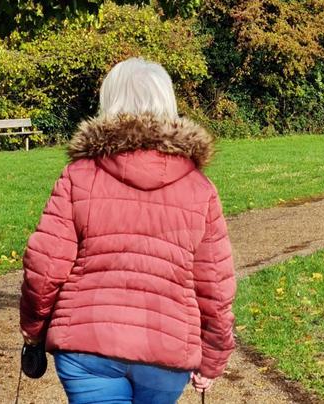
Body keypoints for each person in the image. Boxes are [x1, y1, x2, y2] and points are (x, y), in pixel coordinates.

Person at [20, 58, 236, 404]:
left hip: (88, 344)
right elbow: (216, 286)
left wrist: (33, 330)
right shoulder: (200, 188)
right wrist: (213, 356)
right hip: (167, 350)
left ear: (109, 105)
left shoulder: (79, 175)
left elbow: (44, 270)